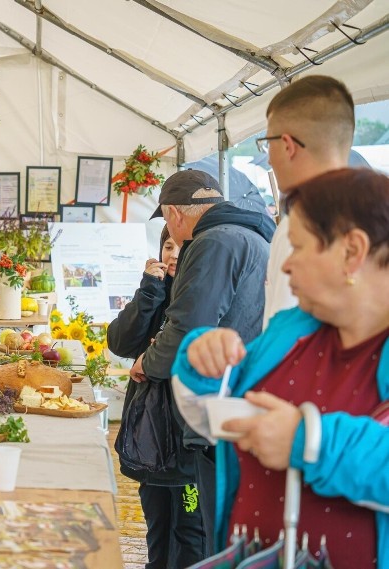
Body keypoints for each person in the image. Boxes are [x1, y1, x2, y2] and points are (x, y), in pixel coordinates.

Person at [172, 168, 389, 568]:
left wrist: (309, 440)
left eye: (299, 248)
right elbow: (216, 420)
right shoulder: (290, 333)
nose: (286, 267)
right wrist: (201, 366)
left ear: (352, 252)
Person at [132, 169, 276, 555]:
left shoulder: (212, 242)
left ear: (174, 214)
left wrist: (148, 362)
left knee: (214, 529)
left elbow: (188, 325)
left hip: (219, 404)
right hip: (240, 400)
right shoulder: (248, 235)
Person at [109, 227, 206, 568]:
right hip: (151, 439)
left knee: (190, 531)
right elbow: (120, 342)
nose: (174, 253)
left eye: (183, 246)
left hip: (187, 443)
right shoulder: (155, 291)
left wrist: (157, 358)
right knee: (157, 526)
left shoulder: (201, 297)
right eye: (168, 245)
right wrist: (149, 291)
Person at [260, 75, 354, 328]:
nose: (268, 159)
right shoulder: (373, 213)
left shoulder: (300, 227)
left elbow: (283, 339)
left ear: (288, 145)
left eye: (267, 143)